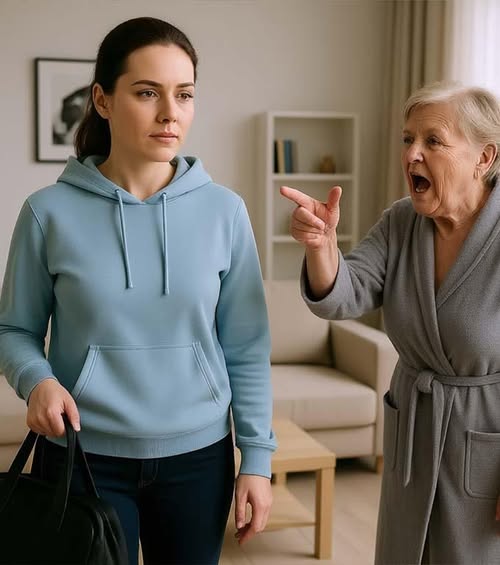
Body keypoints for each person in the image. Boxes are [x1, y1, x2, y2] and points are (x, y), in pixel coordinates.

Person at [0, 17, 275, 565]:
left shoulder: (225, 212)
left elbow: (246, 347)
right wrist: (38, 382)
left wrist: (257, 459)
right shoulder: (47, 212)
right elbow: (14, 330)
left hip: (200, 459)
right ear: (102, 100)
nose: (170, 112)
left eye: (184, 94)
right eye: (148, 93)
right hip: (82, 457)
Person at [281, 81, 500, 564]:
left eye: (433, 141)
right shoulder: (401, 222)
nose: (412, 154)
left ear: (484, 158)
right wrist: (322, 246)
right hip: (415, 435)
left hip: (485, 444)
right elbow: (345, 294)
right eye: (408, 139)